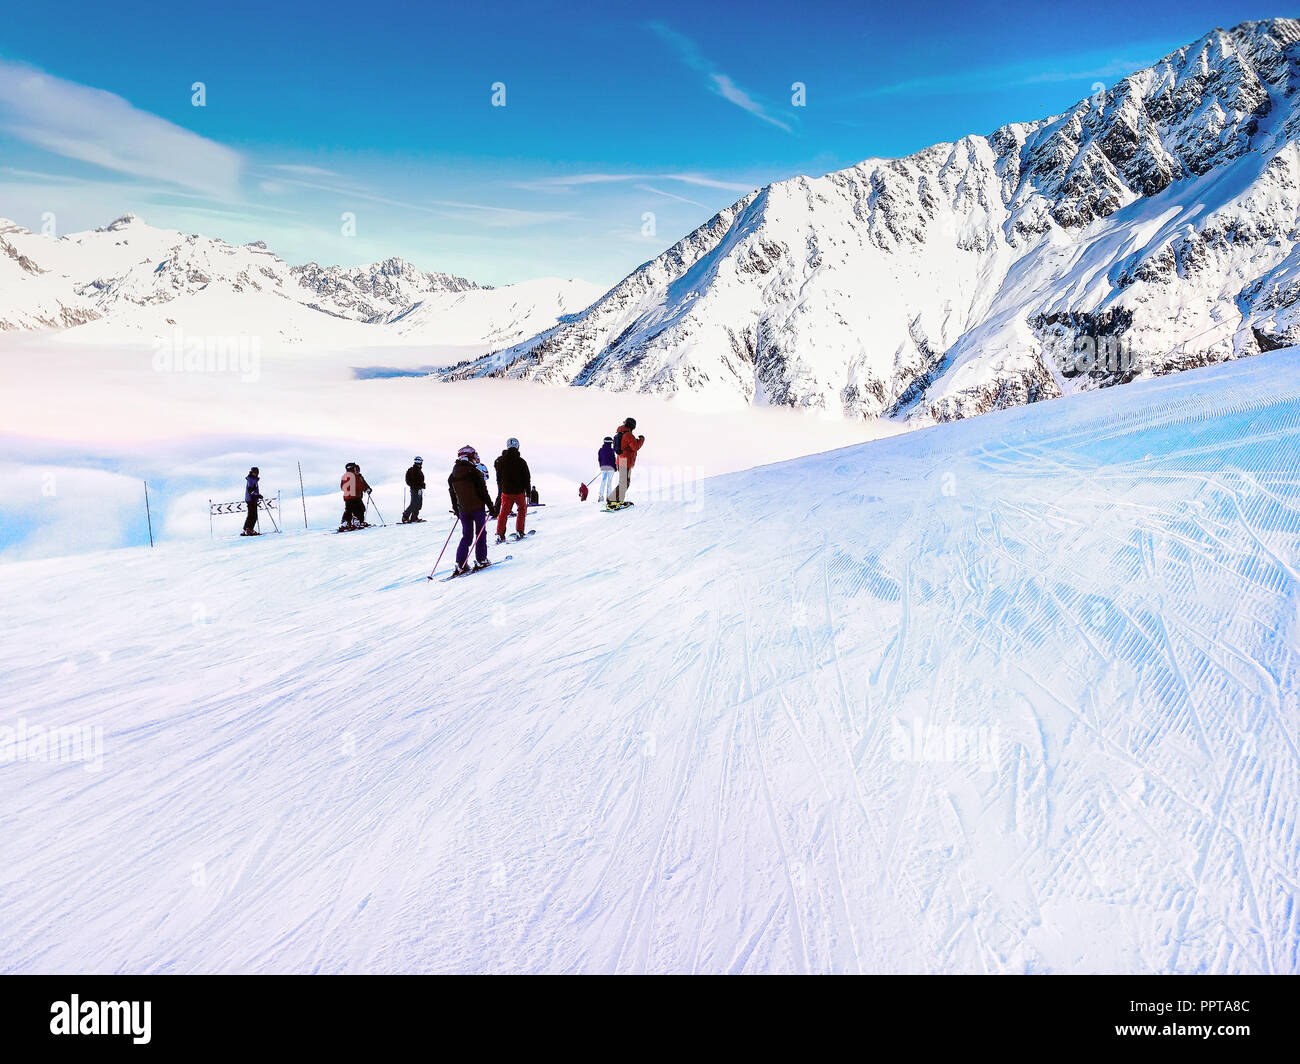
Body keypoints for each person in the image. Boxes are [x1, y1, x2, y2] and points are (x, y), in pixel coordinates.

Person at [448, 445, 498, 573]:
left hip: (463, 510)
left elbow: (453, 495)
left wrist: (456, 510)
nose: (476, 457)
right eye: (474, 454)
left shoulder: (452, 475)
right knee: (481, 533)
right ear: (469, 456)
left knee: (467, 536)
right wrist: (491, 507)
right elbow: (483, 492)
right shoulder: (474, 471)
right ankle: (481, 559)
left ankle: (460, 563)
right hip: (477, 508)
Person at [493, 437, 531, 543]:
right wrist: (528, 492)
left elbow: (498, 476)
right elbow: (527, 478)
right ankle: (520, 531)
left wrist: (501, 488)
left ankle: (500, 533)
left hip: (506, 491)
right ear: (517, 446)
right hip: (519, 492)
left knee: (504, 512)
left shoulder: (500, 461)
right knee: (522, 510)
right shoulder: (521, 462)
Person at [607, 418, 645, 508]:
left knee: (624, 482)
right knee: (624, 483)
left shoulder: (622, 433)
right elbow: (635, 447)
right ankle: (612, 501)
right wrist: (641, 439)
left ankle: (618, 500)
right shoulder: (628, 435)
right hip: (625, 461)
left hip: (621, 460)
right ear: (632, 426)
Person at [340, 462, 371, 530]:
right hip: (355, 496)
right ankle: (358, 522)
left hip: (347, 497)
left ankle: (345, 522)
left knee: (348, 510)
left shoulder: (345, 476)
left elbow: (342, 487)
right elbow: (360, 485)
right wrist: (367, 489)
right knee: (360, 509)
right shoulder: (356, 476)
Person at [402, 456, 425, 523]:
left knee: (418, 504)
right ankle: (405, 517)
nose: (421, 463)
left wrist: (422, 485)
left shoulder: (419, 470)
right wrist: (416, 486)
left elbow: (420, 480)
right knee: (413, 504)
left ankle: (414, 517)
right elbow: (409, 481)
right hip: (414, 489)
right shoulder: (412, 470)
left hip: (419, 489)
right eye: (421, 461)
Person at [242, 467, 262, 536]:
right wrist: (257, 495)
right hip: (251, 499)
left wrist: (257, 495)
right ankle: (249, 530)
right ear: (252, 472)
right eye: (255, 472)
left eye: (257, 472)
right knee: (253, 515)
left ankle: (246, 529)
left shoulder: (252, 479)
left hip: (251, 499)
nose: (256, 474)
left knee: (251, 515)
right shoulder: (251, 479)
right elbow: (250, 490)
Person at [597, 436, 617, 502]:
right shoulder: (612, 450)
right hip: (611, 468)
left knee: (603, 481)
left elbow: (599, 459)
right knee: (609, 483)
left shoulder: (600, 450)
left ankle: (601, 497)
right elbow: (614, 459)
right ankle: (609, 498)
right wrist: (615, 467)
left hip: (603, 467)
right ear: (611, 443)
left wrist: (601, 466)